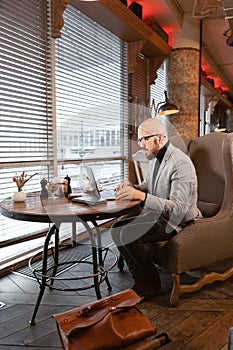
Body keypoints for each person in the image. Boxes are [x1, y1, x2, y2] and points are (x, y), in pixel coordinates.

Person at [111, 118, 200, 298]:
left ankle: (150, 284)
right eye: (139, 140)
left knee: (127, 234)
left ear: (160, 138)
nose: (141, 145)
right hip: (160, 216)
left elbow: (178, 210)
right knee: (116, 229)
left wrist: (142, 197)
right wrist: (133, 187)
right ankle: (144, 279)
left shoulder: (180, 164)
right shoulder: (154, 159)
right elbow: (149, 185)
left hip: (178, 222)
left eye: (144, 139)